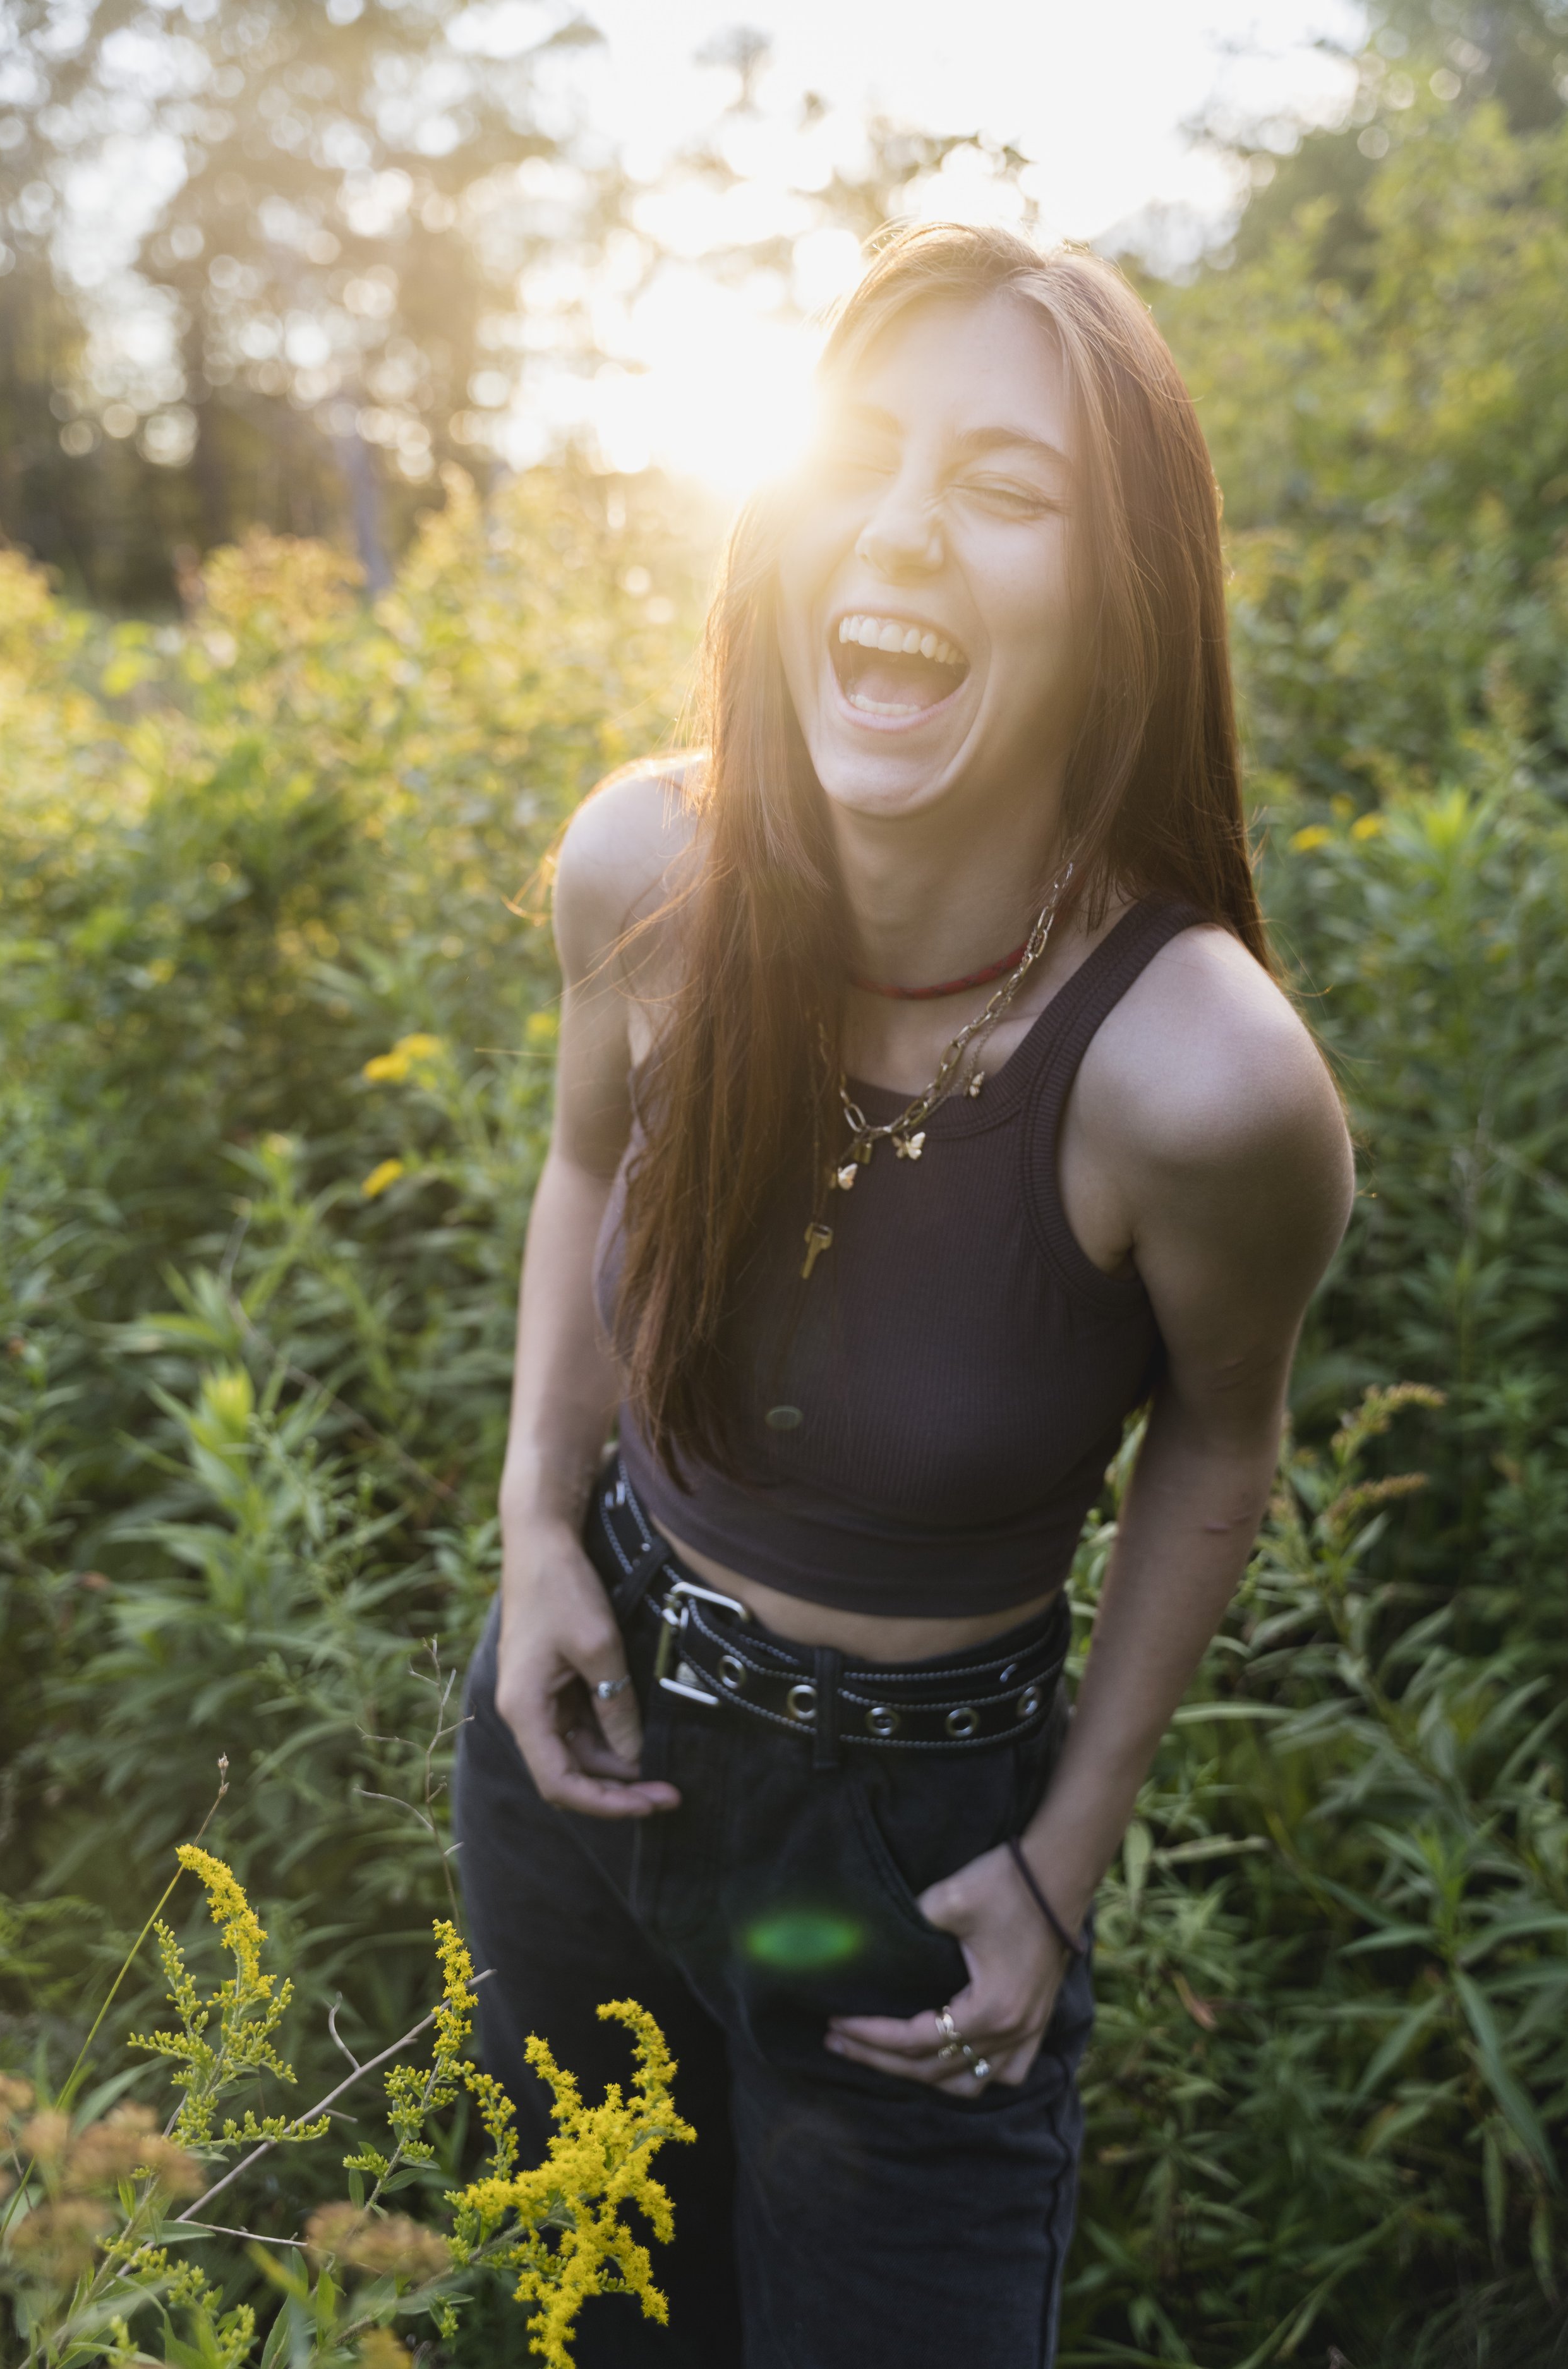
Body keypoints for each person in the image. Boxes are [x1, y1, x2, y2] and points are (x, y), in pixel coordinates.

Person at [454, 220, 1354, 2369]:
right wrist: (533, 1535)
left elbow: (1218, 1437)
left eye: (1006, 490)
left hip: (918, 1864)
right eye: (857, 454)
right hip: (586, 1744)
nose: (903, 530)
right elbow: (588, 1165)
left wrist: (1062, 1855)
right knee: (573, 2332)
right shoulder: (643, 874)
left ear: (1118, 595)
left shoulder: (1203, 1079)